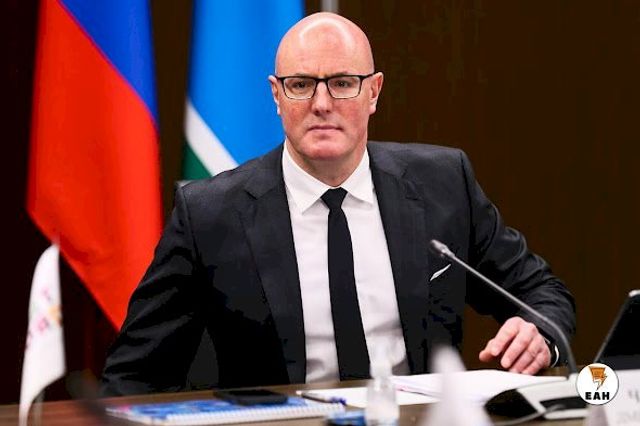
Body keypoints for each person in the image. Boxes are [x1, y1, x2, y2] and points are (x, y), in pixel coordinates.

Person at [101, 12, 575, 396]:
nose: (322, 103)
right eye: (301, 84)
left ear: (374, 92)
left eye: (344, 82)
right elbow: (133, 375)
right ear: (276, 95)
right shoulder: (210, 215)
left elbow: (542, 293)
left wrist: (540, 335)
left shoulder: (443, 184)